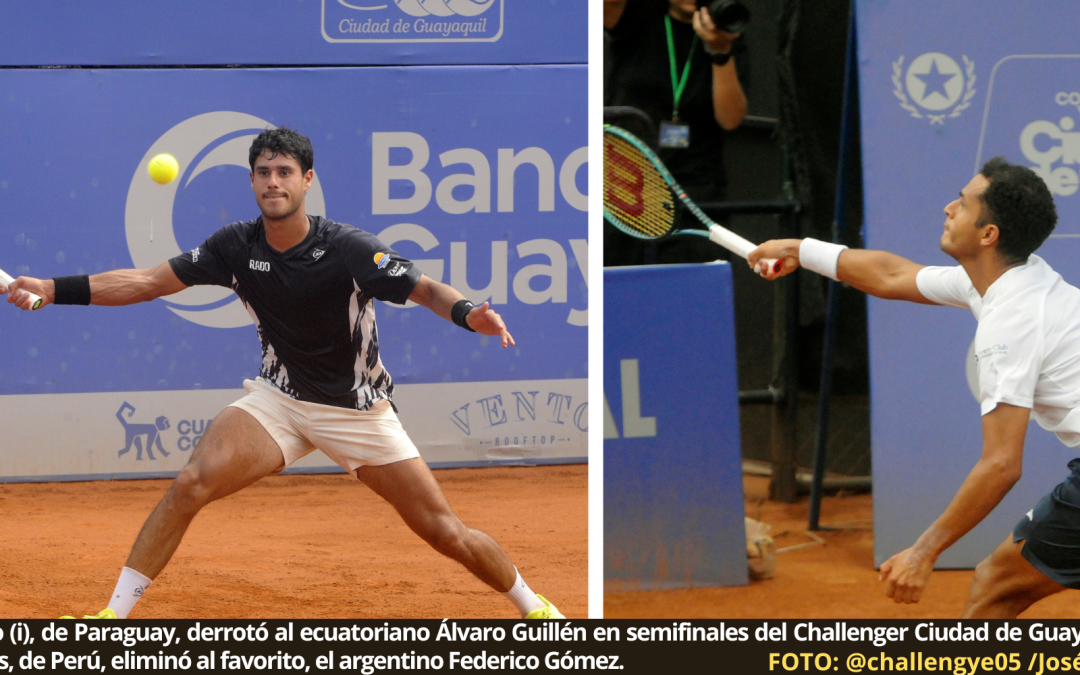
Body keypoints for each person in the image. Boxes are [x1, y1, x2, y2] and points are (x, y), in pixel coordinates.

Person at [3, 127, 564, 620]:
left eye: (285, 172)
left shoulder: (349, 249)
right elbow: (147, 282)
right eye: (264, 172)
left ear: (307, 180)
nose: (273, 182)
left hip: (356, 411)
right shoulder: (234, 246)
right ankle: (114, 616)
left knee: (446, 532)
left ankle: (533, 606)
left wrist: (468, 314)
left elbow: (425, 290)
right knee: (191, 483)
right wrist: (52, 288)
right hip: (280, 399)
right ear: (251, 181)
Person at [749, 157, 1079, 618]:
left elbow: (1001, 464)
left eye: (963, 203)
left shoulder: (1012, 321)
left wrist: (924, 551)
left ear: (988, 234)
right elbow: (891, 275)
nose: (948, 208)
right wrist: (800, 250)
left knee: (995, 585)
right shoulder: (1015, 280)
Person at [604, 0, 748, 266]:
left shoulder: (726, 28)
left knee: (689, 283)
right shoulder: (636, 17)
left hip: (694, 192)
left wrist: (720, 53)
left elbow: (730, 120)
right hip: (627, 186)